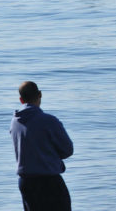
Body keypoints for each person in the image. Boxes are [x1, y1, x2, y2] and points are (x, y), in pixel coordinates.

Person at [10, 81, 74, 211]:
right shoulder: (49, 121)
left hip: (26, 182)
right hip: (49, 182)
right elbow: (67, 150)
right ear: (40, 94)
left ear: (21, 100)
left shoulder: (14, 122)